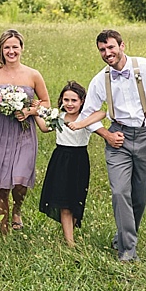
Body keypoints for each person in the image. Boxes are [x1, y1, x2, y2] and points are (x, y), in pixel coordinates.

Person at [77, 29, 146, 262]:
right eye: (102, 50)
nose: (107, 53)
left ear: (122, 46)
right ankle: (127, 250)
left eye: (111, 47)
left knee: (141, 195)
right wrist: (106, 134)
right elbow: (87, 114)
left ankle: (123, 235)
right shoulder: (101, 79)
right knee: (119, 191)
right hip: (119, 139)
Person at [0, 29, 50, 234]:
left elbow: (45, 102)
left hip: (24, 132)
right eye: (7, 47)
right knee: (2, 184)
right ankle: (3, 228)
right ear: (1, 49)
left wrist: (28, 111)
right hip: (0, 131)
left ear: (21, 49)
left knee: (19, 180)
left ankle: (17, 208)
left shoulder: (33, 74)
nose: (11, 51)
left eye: (15, 47)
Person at [34, 81, 106, 246]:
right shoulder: (58, 117)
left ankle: (69, 232)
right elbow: (45, 128)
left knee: (75, 199)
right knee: (64, 202)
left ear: (82, 101)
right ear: (61, 101)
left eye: (74, 100)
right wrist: (36, 112)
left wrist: (81, 124)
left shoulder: (84, 118)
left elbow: (102, 113)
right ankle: (70, 242)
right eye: (66, 100)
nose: (70, 104)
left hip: (79, 160)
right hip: (61, 159)